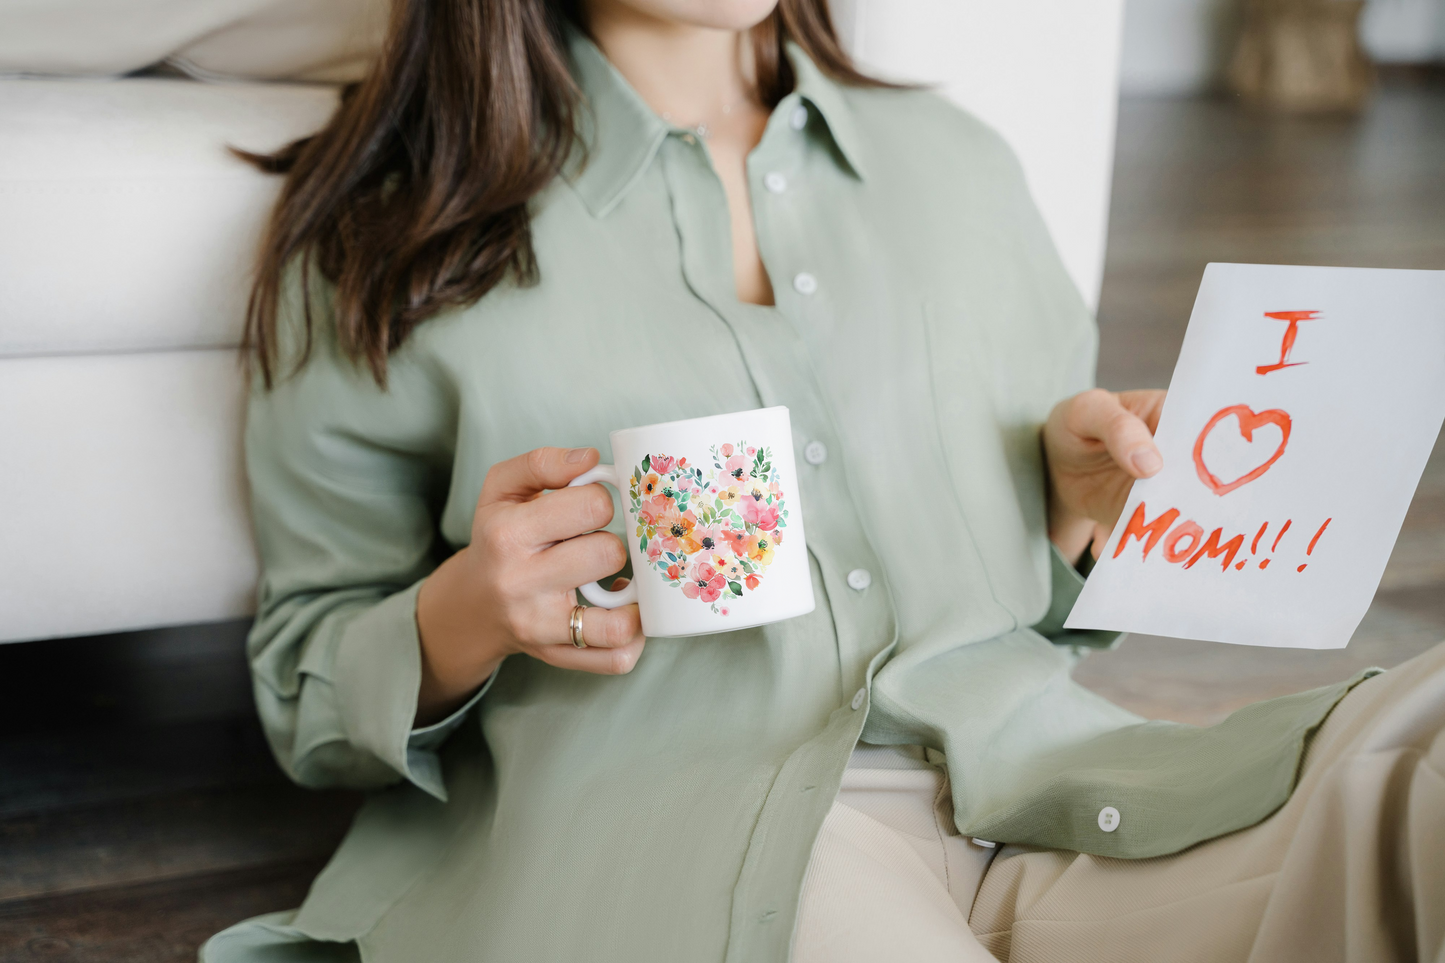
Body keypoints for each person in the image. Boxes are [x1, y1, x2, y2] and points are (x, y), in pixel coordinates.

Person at [202, 0, 1445, 960]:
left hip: (1061, 785)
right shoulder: (382, 231)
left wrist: (1068, 514)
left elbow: (1041, 609)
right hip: (701, 836)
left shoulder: (956, 167)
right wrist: (472, 609)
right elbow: (306, 681)